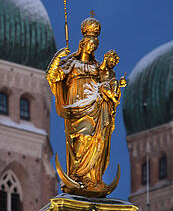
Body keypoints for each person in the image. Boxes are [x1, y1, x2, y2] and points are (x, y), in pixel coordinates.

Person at [46, 16, 125, 196]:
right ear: (82, 44)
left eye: (95, 45)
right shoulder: (71, 64)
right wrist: (58, 57)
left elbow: (107, 82)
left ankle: (93, 178)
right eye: (90, 44)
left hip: (96, 107)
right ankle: (78, 175)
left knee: (98, 139)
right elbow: (52, 77)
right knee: (80, 138)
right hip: (76, 106)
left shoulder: (98, 67)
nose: (92, 47)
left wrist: (116, 86)